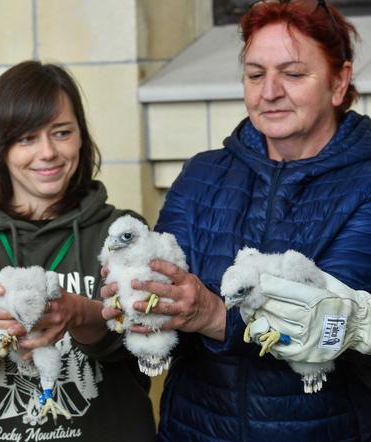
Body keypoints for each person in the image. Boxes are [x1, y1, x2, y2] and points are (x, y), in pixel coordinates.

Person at [102, 0, 371, 440]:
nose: (269, 92)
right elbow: (168, 284)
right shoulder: (203, 174)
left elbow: (328, 319)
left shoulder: (366, 180)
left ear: (339, 82)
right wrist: (138, 297)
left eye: (293, 73)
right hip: (195, 428)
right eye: (255, 74)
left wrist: (210, 314)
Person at [0, 60, 156, 442]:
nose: (47, 152)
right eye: (26, 138)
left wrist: (81, 314)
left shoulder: (122, 231)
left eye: (61, 132)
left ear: (81, 137)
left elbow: (143, 337)